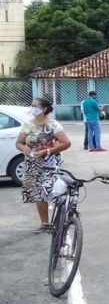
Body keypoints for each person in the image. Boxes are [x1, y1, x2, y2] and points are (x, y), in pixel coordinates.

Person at [15, 98, 72, 233]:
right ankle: (45, 223)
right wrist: (24, 149)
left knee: (52, 191)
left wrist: (47, 151)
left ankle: (61, 219)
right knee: (38, 194)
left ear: (44, 109)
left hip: (49, 163)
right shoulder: (28, 124)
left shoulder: (53, 124)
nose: (32, 108)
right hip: (32, 163)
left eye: (35, 106)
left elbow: (66, 143)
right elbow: (19, 142)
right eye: (32, 106)